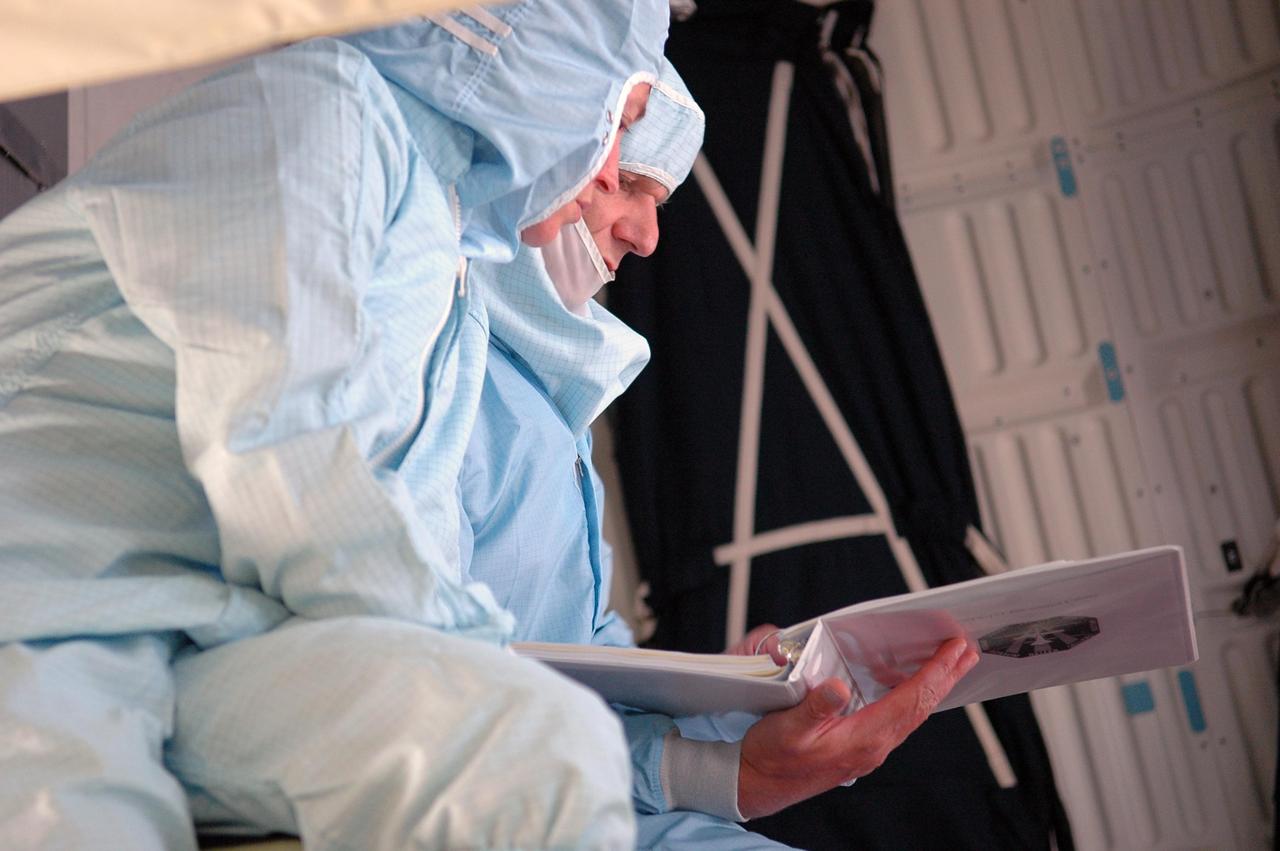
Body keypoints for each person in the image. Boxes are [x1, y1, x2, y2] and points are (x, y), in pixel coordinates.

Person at [0, 5, 672, 849]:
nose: (608, 170)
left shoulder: (448, 254)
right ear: (539, 57)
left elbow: (402, 524)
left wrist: (481, 671)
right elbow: (287, 447)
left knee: (533, 748)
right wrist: (467, 652)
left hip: (201, 634)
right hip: (43, 598)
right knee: (79, 826)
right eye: (627, 121)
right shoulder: (320, 111)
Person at [460, 61, 979, 850]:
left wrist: (725, 711)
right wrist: (714, 772)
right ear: (536, 147)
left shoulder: (550, 410)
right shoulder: (447, 383)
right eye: (625, 182)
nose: (646, 233)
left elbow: (581, 687)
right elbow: (434, 715)